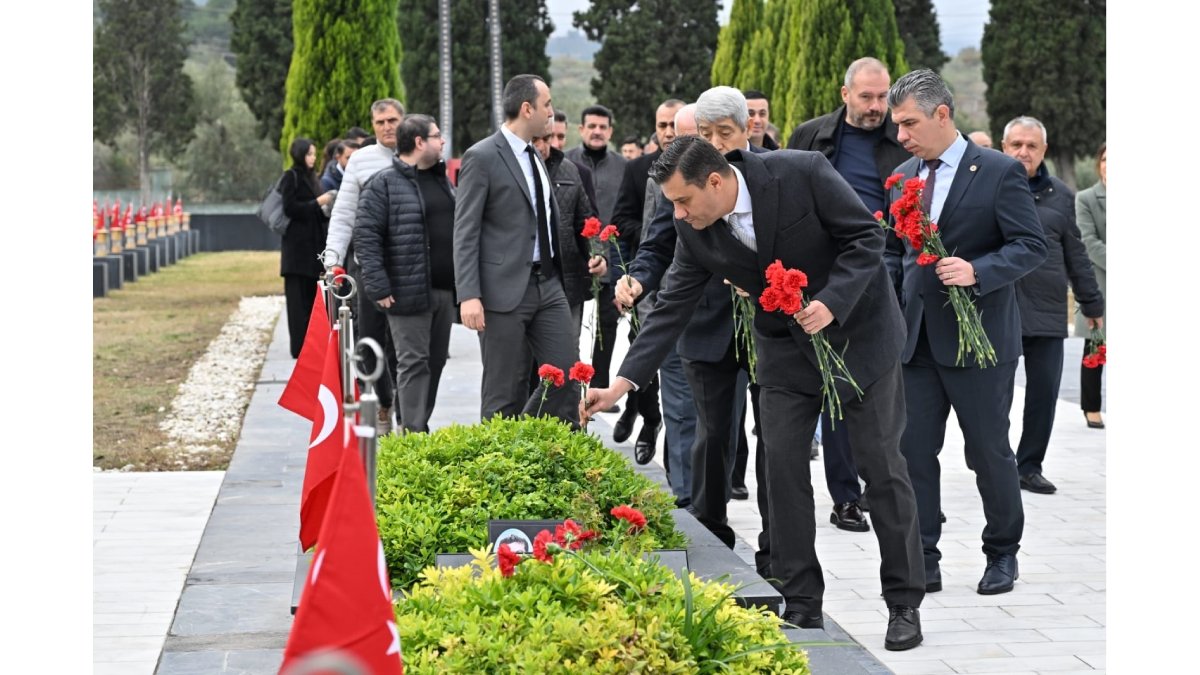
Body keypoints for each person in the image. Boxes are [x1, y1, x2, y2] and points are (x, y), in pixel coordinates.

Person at [585, 135, 926, 651]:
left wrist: (832, 301)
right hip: (785, 354)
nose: (677, 212)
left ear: (716, 182)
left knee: (881, 469)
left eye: (682, 200)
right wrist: (622, 383)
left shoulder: (802, 172)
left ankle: (904, 601)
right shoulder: (694, 228)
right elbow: (672, 304)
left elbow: (864, 239)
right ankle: (802, 601)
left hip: (860, 335)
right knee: (781, 470)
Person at [884, 69, 1047, 597]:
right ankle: (923, 556)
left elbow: (1030, 245)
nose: (901, 135)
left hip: (980, 342)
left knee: (987, 452)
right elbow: (895, 254)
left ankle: (1002, 553)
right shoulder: (904, 174)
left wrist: (977, 271)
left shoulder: (999, 171)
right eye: (897, 125)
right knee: (913, 453)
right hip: (918, 341)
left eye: (909, 123)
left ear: (942, 114)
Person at [786, 56, 914, 533]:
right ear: (845, 95)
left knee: (879, 391)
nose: (877, 106)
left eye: (883, 97)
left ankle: (886, 484)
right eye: (867, 96)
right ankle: (846, 496)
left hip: (886, 277)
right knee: (836, 387)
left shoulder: (901, 141)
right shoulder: (812, 137)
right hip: (828, 281)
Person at [453, 74, 606, 424]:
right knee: (503, 391)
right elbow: (465, 231)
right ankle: (502, 466)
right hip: (501, 291)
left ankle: (534, 445)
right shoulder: (482, 156)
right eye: (547, 105)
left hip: (549, 286)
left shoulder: (536, 156)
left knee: (568, 376)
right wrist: (469, 295)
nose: (551, 112)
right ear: (527, 109)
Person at [1001, 116, 1104, 494]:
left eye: (1032, 145)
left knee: (1043, 397)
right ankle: (996, 465)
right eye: (1017, 144)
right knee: (995, 400)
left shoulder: (1062, 196)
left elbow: (1077, 257)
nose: (1024, 152)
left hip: (1045, 314)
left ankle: (1029, 467)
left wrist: (1093, 305)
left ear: (1044, 150)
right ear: (1004, 146)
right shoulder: (988, 186)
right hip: (1000, 313)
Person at [614, 104, 701, 509]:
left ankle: (709, 497)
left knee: (720, 424)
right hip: (673, 305)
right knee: (680, 409)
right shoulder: (662, 178)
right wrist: (638, 278)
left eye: (689, 137)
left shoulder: (752, 172)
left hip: (732, 320)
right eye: (671, 133)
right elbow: (656, 239)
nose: (678, 143)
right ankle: (687, 500)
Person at [352, 114, 457, 433]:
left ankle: (418, 421)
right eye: (437, 136)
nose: (442, 141)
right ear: (419, 142)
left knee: (436, 363)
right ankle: (413, 431)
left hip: (443, 291)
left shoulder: (443, 180)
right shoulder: (383, 183)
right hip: (406, 292)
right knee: (413, 362)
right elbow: (366, 236)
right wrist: (378, 285)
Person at [609, 99, 686, 462]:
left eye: (675, 124)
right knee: (644, 357)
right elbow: (622, 220)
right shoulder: (641, 169)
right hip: (648, 279)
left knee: (681, 389)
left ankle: (676, 458)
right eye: (662, 124)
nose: (669, 132)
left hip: (686, 285)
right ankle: (647, 418)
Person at [324, 98, 407, 435]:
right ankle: (384, 402)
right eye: (380, 122)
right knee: (369, 343)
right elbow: (343, 214)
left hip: (410, 270)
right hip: (369, 268)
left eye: (392, 120)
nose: (388, 127)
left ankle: (408, 415)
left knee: (406, 348)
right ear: (373, 126)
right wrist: (332, 259)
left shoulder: (418, 153)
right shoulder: (361, 161)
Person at [566, 105, 628, 409]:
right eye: (591, 126)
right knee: (571, 329)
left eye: (603, 127)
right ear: (581, 129)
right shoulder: (566, 164)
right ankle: (571, 389)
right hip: (577, 260)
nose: (597, 131)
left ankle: (601, 388)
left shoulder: (623, 167)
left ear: (610, 131)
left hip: (611, 261)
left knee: (607, 326)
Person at [279, 138, 334, 358]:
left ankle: (312, 346)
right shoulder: (291, 177)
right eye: (309, 154)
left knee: (313, 300)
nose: (312, 158)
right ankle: (299, 348)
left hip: (314, 249)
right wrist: (317, 203)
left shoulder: (313, 178)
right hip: (296, 251)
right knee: (297, 302)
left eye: (314, 154)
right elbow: (290, 208)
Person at [1075, 142, 1106, 429]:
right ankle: (1092, 407)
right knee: (1095, 347)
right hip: (1101, 282)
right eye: (1106, 159)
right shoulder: (1086, 198)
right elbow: (1089, 241)